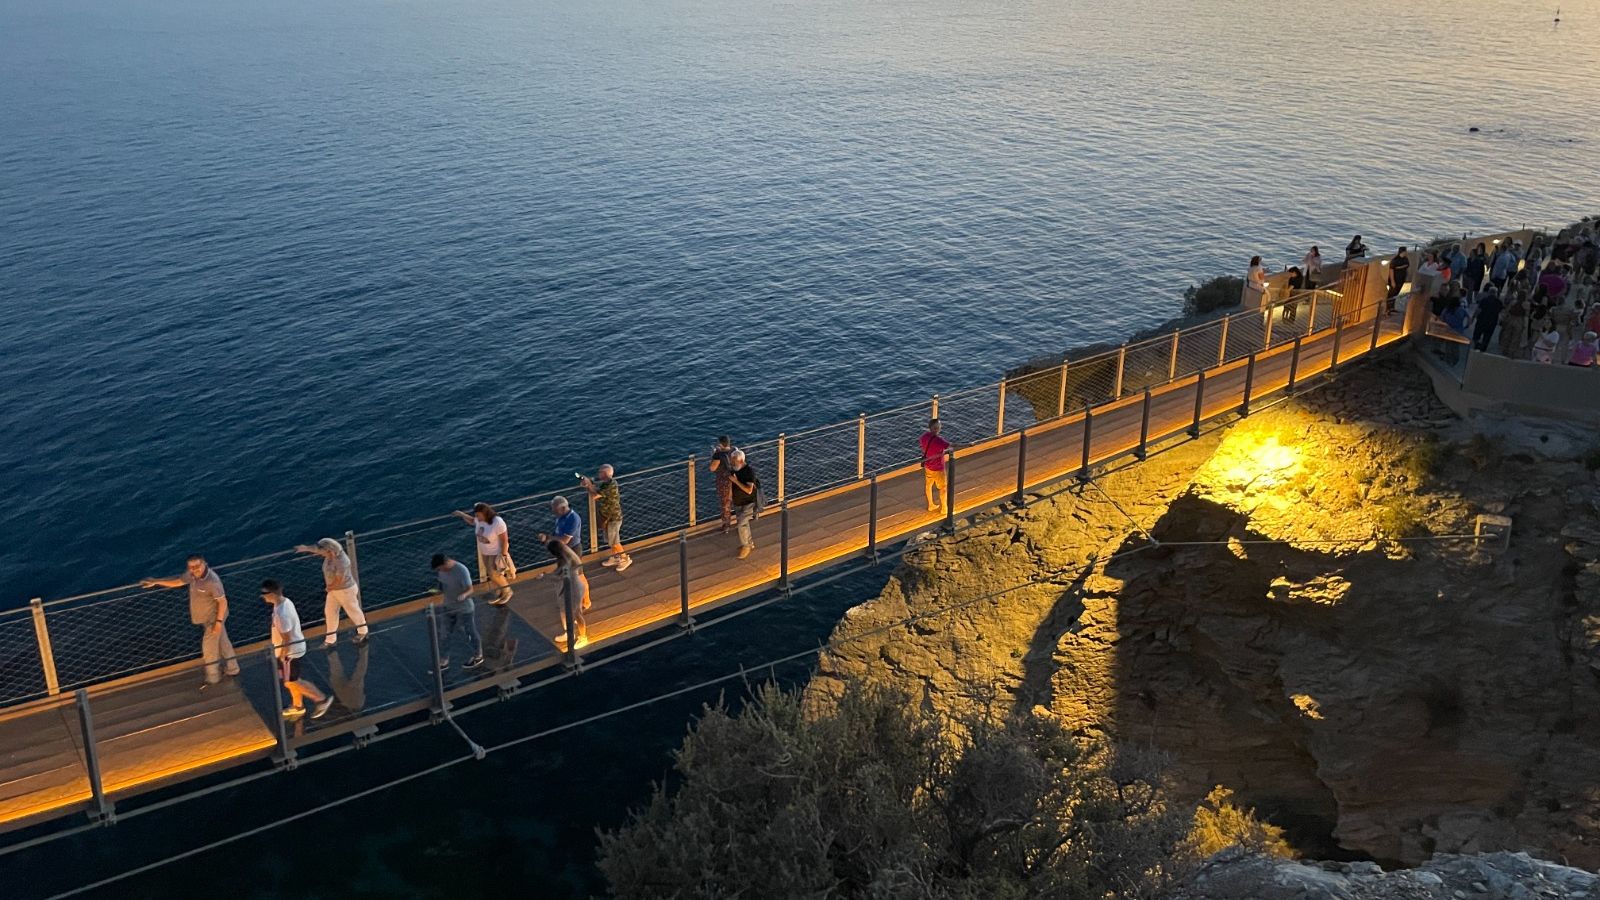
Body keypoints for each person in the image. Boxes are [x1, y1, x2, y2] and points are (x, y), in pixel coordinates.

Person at [140, 555, 240, 689]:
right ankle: (233, 668)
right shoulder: (192, 575)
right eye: (191, 567)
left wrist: (218, 622)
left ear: (204, 563)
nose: (194, 569)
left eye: (197, 566)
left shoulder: (212, 581)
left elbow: (222, 602)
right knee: (222, 641)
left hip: (213, 619)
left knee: (209, 649)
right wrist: (157, 581)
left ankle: (213, 678)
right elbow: (179, 582)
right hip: (207, 618)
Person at [261, 580, 332, 720]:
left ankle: (321, 699)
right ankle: (297, 706)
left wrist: (282, 655)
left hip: (289, 652)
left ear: (272, 594)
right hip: (293, 649)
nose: (263, 596)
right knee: (292, 680)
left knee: (291, 682)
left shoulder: (282, 613)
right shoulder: (284, 602)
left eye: (264, 594)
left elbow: (286, 638)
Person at [295, 537, 367, 646]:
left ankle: (363, 632)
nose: (320, 553)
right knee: (330, 613)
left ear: (329, 551)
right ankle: (330, 640)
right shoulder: (330, 554)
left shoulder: (342, 561)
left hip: (345, 590)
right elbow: (317, 549)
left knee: (353, 612)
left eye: (322, 551)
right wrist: (305, 548)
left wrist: (329, 588)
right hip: (334, 591)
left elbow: (339, 580)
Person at [430, 554, 484, 670]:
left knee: (470, 632)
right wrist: (437, 590)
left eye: (439, 568)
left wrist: (464, 595)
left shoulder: (461, 570)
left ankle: (478, 655)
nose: (439, 571)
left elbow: (470, 589)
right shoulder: (441, 571)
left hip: (464, 608)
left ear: (445, 564)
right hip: (448, 606)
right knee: (445, 634)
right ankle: (444, 661)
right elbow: (441, 584)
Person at [453, 502, 513, 605]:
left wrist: (503, 555)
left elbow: (504, 540)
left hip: (496, 552)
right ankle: (501, 591)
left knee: (494, 575)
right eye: (476, 515)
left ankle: (507, 592)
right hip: (485, 552)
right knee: (492, 574)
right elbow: (472, 521)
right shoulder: (479, 520)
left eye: (478, 515)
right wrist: (461, 514)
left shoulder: (497, 522)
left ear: (485, 513)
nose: (477, 518)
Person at [580, 465, 632, 571]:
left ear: (604, 473)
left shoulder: (610, 486)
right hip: (608, 516)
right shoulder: (607, 483)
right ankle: (616, 557)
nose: (598, 474)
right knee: (610, 539)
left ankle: (624, 559)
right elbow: (597, 491)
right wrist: (589, 485)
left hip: (613, 517)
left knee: (614, 541)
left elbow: (595, 495)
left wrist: (588, 485)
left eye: (600, 472)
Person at [549, 539, 590, 652]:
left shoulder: (564, 561)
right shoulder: (566, 556)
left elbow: (562, 574)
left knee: (576, 613)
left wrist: (548, 577)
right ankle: (569, 633)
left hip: (574, 587)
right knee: (565, 610)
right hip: (571, 586)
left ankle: (583, 637)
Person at [728, 450, 760, 559]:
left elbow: (749, 490)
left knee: (741, 523)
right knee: (744, 523)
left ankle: (746, 546)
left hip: (749, 502)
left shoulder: (749, 472)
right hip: (738, 502)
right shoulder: (734, 469)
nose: (732, 464)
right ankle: (749, 543)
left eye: (734, 462)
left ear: (741, 460)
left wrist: (735, 481)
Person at [537, 495, 583, 564]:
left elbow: (565, 540)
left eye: (555, 510)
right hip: (562, 549)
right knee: (564, 570)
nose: (553, 512)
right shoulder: (560, 516)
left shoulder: (573, 519)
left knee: (576, 572)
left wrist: (547, 537)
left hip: (572, 550)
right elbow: (557, 532)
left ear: (563, 508)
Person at [919, 418, 951, 513]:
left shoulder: (924, 437)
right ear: (937, 428)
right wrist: (968, 444)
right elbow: (951, 445)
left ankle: (930, 505)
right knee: (943, 488)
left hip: (928, 465)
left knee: (928, 485)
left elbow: (922, 444)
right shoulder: (939, 440)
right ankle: (944, 509)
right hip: (938, 468)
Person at [708, 436, 738, 533]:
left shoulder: (718, 455)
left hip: (724, 482)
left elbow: (712, 468)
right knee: (737, 501)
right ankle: (741, 522)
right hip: (736, 480)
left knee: (725, 504)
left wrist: (713, 455)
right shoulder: (735, 450)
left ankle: (726, 526)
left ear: (721, 444)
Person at [1471, 285, 1503, 353]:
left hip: (1481, 320)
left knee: (1477, 334)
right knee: (1487, 337)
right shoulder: (1499, 302)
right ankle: (1483, 348)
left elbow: (1478, 310)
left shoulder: (1484, 300)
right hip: (1492, 323)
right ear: (1496, 293)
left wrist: (1473, 318)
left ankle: (1476, 346)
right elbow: (1501, 313)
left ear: (1489, 292)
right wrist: (1499, 321)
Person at [1498, 292, 1529, 358]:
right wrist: (1525, 325)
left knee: (1507, 335)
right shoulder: (1526, 304)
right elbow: (1526, 315)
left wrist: (1504, 319)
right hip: (1519, 320)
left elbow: (1507, 311)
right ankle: (1511, 352)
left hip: (1511, 319)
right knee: (1516, 337)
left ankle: (1504, 350)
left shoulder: (1513, 302)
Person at [1387, 247, 1410, 313]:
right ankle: (1388, 309)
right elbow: (1391, 270)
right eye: (1406, 251)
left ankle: (1392, 308)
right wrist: (1392, 281)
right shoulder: (1395, 260)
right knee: (1391, 294)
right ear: (1403, 252)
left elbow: (1407, 265)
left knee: (1396, 294)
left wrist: (1400, 267)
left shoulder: (1406, 259)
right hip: (1395, 279)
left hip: (1401, 279)